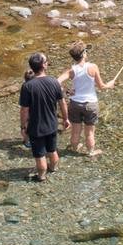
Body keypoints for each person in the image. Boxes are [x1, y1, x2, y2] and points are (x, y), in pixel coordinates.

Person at [56, 42, 114, 157]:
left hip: (75, 104)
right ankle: (91, 152)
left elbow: (56, 82)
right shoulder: (93, 67)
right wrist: (110, 84)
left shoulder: (71, 70)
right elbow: (101, 86)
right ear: (83, 54)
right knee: (90, 132)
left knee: (75, 130)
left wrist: (67, 91)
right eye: (86, 51)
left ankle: (74, 148)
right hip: (91, 104)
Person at [18, 52, 69, 182]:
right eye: (46, 61)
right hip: (52, 124)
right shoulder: (54, 82)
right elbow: (62, 103)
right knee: (52, 150)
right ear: (43, 66)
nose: (47, 63)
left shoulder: (27, 86)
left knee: (39, 154)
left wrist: (23, 126)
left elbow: (24, 110)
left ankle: (41, 176)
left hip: (36, 127)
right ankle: (53, 168)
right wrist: (65, 119)